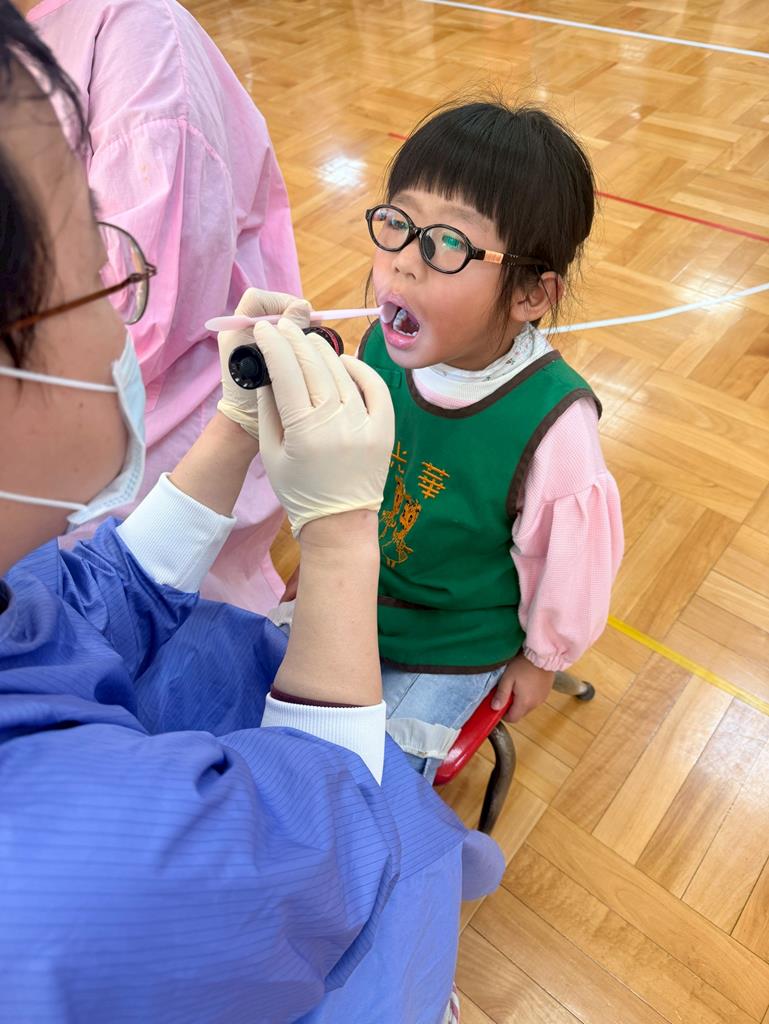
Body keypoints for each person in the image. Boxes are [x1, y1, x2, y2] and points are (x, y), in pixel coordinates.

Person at [0, 10, 503, 1022]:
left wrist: (232, 428)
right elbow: (319, 838)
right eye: (90, 262)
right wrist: (340, 532)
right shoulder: (82, 884)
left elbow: (78, 606)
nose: (125, 298)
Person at [279, 101, 624, 782]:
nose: (403, 265)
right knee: (260, 714)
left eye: (446, 244)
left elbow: (570, 565)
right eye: (397, 225)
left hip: (455, 635)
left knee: (363, 780)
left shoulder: (553, 425)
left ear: (531, 295)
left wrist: (540, 660)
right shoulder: (380, 348)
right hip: (357, 585)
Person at [17, 0, 303, 613]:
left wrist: (341, 544)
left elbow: (147, 310)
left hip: (159, 402)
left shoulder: (138, 38)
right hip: (73, 399)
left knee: (147, 610)